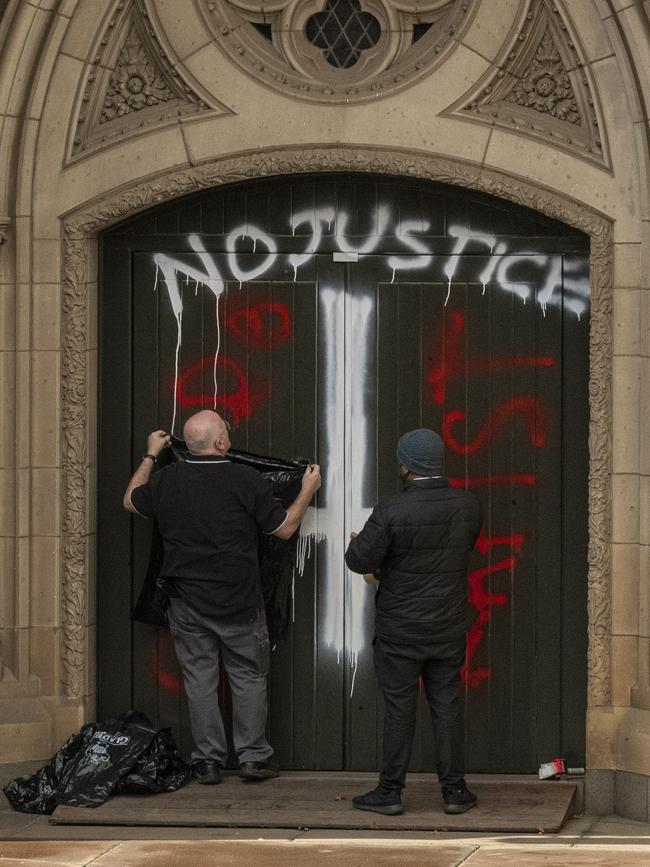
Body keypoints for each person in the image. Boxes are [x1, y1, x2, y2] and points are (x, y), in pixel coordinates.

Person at [123, 410, 321, 785]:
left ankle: (208, 761)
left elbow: (132, 501)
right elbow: (284, 529)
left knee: (200, 679)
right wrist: (307, 489)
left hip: (187, 602)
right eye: (226, 431)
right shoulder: (245, 480)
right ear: (219, 443)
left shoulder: (167, 479)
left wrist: (150, 454)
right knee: (248, 676)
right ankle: (253, 758)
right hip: (239, 601)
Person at [345, 428, 481, 816]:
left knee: (400, 711)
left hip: (400, 632)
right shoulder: (468, 506)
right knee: (447, 707)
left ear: (406, 465)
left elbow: (359, 561)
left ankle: (390, 792)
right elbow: (451, 554)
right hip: (448, 626)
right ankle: (455, 792)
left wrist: (362, 544)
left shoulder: (392, 510)